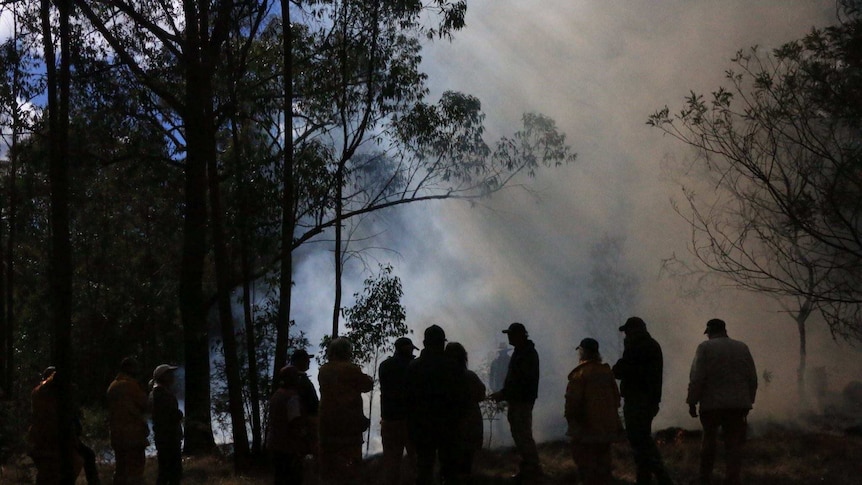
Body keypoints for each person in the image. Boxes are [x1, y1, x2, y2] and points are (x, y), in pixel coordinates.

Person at [686, 319, 758, 485]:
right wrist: (749, 400)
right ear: (724, 330)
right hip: (738, 406)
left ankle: (705, 478)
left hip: (712, 406)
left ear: (710, 331)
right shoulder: (742, 347)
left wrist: (692, 402)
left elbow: (697, 378)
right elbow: (752, 378)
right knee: (733, 444)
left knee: (709, 443)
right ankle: (732, 479)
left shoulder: (704, 348)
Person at [612, 317, 674, 485]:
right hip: (649, 400)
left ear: (633, 330)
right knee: (642, 440)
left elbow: (620, 370)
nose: (625, 335)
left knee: (639, 441)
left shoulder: (637, 347)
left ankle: (662, 478)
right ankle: (645, 478)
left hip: (637, 401)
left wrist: (623, 356)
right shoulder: (651, 345)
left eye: (627, 331)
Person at [405, 325, 469, 485]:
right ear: (442, 343)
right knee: (450, 470)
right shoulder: (454, 367)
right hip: (449, 427)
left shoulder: (413, 367)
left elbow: (408, 400)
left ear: (425, 343)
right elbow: (461, 397)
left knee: (424, 469)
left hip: (422, 427)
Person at [565, 338, 623, 485]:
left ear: (583, 352)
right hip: (606, 428)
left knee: (585, 464)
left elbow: (573, 402)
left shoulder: (580, 374)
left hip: (586, 428)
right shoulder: (606, 371)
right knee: (604, 464)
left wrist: (572, 421)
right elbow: (617, 399)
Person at [490, 322, 542, 481]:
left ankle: (532, 468)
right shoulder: (522, 352)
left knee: (523, 434)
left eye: (511, 334)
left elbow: (521, 381)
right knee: (519, 433)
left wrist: (503, 393)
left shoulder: (526, 353)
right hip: (517, 398)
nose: (509, 336)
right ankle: (529, 468)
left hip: (522, 399)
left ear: (520, 335)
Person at [317, 337, 373, 483]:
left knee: (329, 467)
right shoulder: (351, 369)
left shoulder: (323, 370)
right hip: (348, 426)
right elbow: (367, 385)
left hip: (327, 424)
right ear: (347, 352)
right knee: (351, 468)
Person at [28, 367, 84, 484]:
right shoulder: (46, 393)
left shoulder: (38, 393)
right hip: (51, 440)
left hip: (40, 439)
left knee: (46, 474)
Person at [378, 336, 419, 485]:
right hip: (410, 421)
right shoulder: (413, 366)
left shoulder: (384, 365)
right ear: (407, 348)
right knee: (417, 461)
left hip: (389, 420)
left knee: (391, 462)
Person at [445, 342, 486, 482]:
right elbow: (481, 394)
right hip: (470, 422)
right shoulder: (469, 376)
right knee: (466, 462)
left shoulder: (442, 377)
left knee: (450, 463)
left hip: (450, 425)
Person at [267, 365, 314, 485]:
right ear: (292, 379)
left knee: (279, 479)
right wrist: (307, 441)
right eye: (296, 377)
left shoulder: (276, 395)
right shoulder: (292, 398)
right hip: (289, 448)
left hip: (275, 445)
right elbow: (295, 424)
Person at [107, 357, 150, 485]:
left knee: (120, 470)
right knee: (135, 471)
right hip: (133, 434)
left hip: (116, 434)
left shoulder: (112, 386)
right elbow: (145, 404)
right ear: (130, 369)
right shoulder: (130, 385)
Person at [149, 364, 183, 485]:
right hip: (168, 439)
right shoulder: (160, 394)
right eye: (169, 374)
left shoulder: (158, 392)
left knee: (166, 472)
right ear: (162, 376)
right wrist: (179, 414)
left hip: (165, 438)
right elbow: (169, 415)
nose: (172, 376)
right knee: (172, 473)